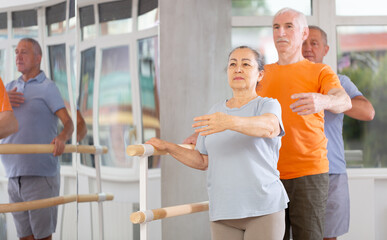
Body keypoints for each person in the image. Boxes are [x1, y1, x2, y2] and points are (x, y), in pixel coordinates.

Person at [148, 46, 288, 240]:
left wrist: (229, 122)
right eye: (232, 64)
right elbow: (202, 161)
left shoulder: (267, 105)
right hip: (223, 212)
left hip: (263, 209)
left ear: (260, 74)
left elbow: (269, 128)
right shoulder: (215, 111)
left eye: (246, 64)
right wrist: (168, 147)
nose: (238, 69)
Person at [257, 8, 352, 240]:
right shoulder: (261, 75)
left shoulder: (320, 71)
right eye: (276, 27)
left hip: (309, 173)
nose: (281, 33)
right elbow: (237, 109)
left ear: (303, 33)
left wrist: (324, 99)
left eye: (289, 26)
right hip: (267, 174)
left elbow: (344, 101)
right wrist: (204, 137)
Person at [302, 25, 375, 240]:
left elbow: (368, 112)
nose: (307, 48)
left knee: (328, 236)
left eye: (314, 43)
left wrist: (331, 100)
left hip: (331, 173)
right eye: (303, 42)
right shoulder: (286, 83)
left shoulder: (340, 82)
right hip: (294, 174)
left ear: (325, 49)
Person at [1, 38, 74, 240]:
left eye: (24, 52)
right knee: (24, 237)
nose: (18, 56)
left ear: (38, 57)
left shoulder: (48, 87)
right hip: (14, 176)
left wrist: (61, 137)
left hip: (41, 175)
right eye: (16, 52)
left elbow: (69, 123)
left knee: (42, 237)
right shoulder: (7, 88)